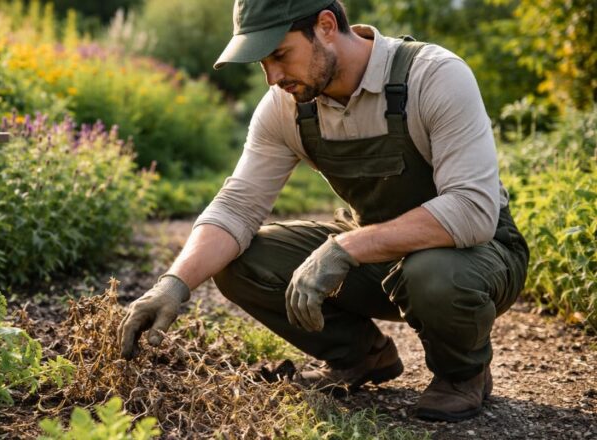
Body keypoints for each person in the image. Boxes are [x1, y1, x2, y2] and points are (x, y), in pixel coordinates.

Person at [116, 0, 529, 422]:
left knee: (434, 273)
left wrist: (345, 247)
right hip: (379, 257)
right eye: (263, 63)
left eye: (280, 55)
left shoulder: (435, 76)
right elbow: (237, 205)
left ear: (327, 26)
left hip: (478, 256)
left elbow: (472, 209)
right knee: (242, 262)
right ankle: (360, 354)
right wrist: (173, 285)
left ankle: (462, 373)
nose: (273, 78)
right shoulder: (287, 106)